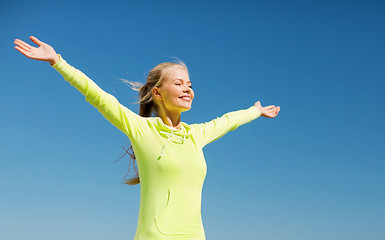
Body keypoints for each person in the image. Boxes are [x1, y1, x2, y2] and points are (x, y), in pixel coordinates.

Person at [13, 36, 281, 240]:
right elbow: (97, 96)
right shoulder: (142, 130)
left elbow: (227, 122)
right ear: (157, 93)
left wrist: (254, 111)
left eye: (189, 85)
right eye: (178, 84)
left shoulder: (195, 135)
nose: (187, 89)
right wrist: (58, 62)